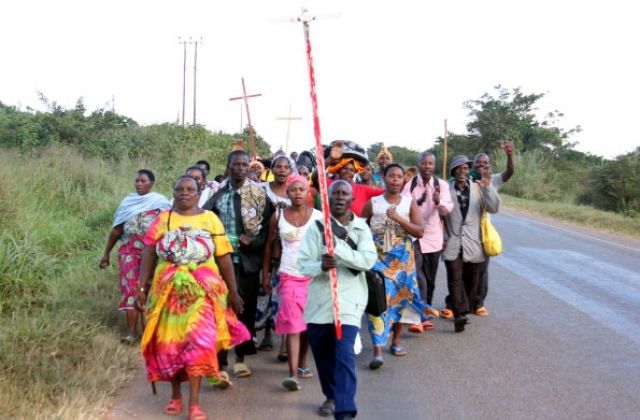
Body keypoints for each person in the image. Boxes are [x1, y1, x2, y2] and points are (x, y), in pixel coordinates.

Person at [136, 175, 250, 420]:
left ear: (199, 192)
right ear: (173, 192)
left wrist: (233, 291)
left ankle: (195, 404)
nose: (185, 193)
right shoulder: (163, 219)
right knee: (172, 345)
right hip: (168, 294)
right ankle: (176, 396)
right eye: (180, 189)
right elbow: (148, 252)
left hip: (203, 294)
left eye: (190, 189)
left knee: (199, 345)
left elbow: (224, 257)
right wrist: (141, 288)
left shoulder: (210, 219)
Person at [298, 180, 377, 419]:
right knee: (322, 353)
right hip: (320, 302)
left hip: (350, 302)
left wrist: (339, 251)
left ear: (352, 199)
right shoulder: (316, 228)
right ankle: (331, 394)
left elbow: (367, 261)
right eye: (336, 193)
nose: (340, 197)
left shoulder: (362, 229)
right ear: (328, 198)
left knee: (344, 353)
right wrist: (321, 265)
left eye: (345, 194)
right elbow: (303, 265)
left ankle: (344, 409)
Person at [203, 150, 273, 378]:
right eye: (236, 164)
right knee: (220, 310)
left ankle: (241, 358)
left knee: (245, 309)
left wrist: (252, 241)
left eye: (245, 164)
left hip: (247, 263)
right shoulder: (218, 194)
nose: (241, 168)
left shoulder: (259, 195)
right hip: (220, 263)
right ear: (229, 166)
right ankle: (220, 361)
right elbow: (206, 224)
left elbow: (267, 231)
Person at [362, 164, 436, 368]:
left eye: (399, 176)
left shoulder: (409, 203)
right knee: (378, 303)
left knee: (401, 302)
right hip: (378, 263)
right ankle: (377, 349)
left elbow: (419, 232)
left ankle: (395, 341)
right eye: (391, 176)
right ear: (383, 177)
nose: (395, 179)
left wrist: (397, 218)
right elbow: (359, 228)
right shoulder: (373, 203)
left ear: (404, 180)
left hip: (403, 264)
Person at [262, 174, 322, 391]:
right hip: (288, 276)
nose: (297, 193)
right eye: (293, 189)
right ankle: (292, 374)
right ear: (287, 193)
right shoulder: (278, 216)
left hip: (313, 278)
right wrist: (266, 275)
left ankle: (303, 363)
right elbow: (268, 247)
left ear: (309, 193)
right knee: (293, 326)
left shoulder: (319, 217)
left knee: (307, 327)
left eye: (301, 189)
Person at [99, 169, 170, 344]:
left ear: (151, 184)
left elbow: (168, 229)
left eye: (142, 181)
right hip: (128, 253)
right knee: (130, 289)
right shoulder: (127, 203)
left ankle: (148, 333)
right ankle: (131, 332)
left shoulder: (161, 204)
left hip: (152, 254)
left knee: (148, 290)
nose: (138, 183)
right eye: (136, 181)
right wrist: (106, 254)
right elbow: (117, 230)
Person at [443, 155, 500, 332]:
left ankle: (463, 306)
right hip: (452, 241)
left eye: (466, 168)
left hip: (474, 243)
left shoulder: (478, 188)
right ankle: (460, 315)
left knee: (471, 281)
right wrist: (443, 237)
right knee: (455, 278)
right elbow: (440, 214)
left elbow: (494, 208)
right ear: (453, 171)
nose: (463, 171)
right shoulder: (446, 190)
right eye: (459, 168)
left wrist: (488, 187)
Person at [402, 152, 454, 332]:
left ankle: (426, 310)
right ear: (418, 165)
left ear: (434, 166)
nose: (427, 167)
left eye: (430, 164)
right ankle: (419, 316)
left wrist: (438, 203)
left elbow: (448, 209)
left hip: (434, 238)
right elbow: (403, 208)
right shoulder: (410, 185)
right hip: (415, 237)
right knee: (419, 278)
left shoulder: (442, 185)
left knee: (430, 279)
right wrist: (418, 201)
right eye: (424, 163)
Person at [256, 155, 296, 358]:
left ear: (290, 170)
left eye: (285, 167)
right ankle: (265, 334)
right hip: (265, 247)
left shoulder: (295, 192)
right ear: (271, 169)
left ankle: (285, 343)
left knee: (285, 297)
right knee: (265, 293)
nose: (281, 170)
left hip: (288, 252)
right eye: (277, 167)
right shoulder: (261, 189)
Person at [469, 141, 515, 316]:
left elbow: (509, 172)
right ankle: (464, 301)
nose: (481, 166)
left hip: (483, 232)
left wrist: (510, 155)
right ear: (473, 165)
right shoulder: (466, 179)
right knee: (466, 269)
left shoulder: (493, 180)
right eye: (478, 163)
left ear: (489, 166)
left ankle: (479, 303)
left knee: (481, 269)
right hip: (466, 231)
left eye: (485, 164)